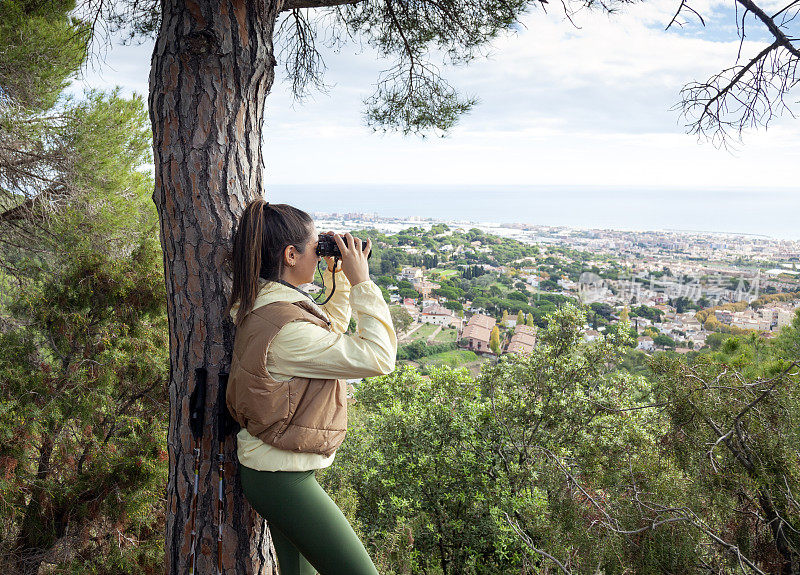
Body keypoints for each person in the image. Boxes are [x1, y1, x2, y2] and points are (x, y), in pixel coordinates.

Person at [224, 198, 397, 575]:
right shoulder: (287, 329)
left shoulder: (270, 306)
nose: (319, 256)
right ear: (290, 254)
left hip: (273, 469)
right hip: (282, 479)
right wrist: (362, 282)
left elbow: (326, 335)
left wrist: (338, 278)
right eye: (315, 248)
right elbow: (379, 358)